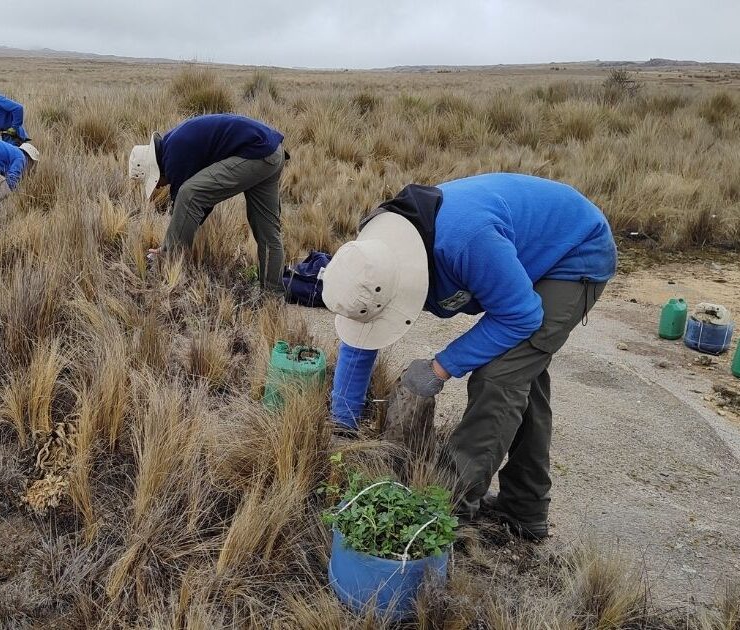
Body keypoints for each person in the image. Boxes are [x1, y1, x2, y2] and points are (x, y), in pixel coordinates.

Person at [321, 173, 617, 541]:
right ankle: (524, 507)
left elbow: (521, 315)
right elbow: (362, 326)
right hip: (526, 247)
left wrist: (439, 367)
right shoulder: (371, 259)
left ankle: (446, 508)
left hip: (574, 253)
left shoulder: (463, 241)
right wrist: (342, 424)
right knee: (522, 369)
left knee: (500, 375)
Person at [128, 113, 288, 292]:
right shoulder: (173, 142)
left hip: (256, 153)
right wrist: (173, 237)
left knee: (188, 193)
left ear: (155, 169)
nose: (158, 187)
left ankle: (170, 269)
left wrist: (167, 248)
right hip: (272, 152)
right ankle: (273, 296)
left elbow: (189, 202)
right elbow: (202, 203)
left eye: (155, 181)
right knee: (268, 231)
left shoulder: (174, 156)